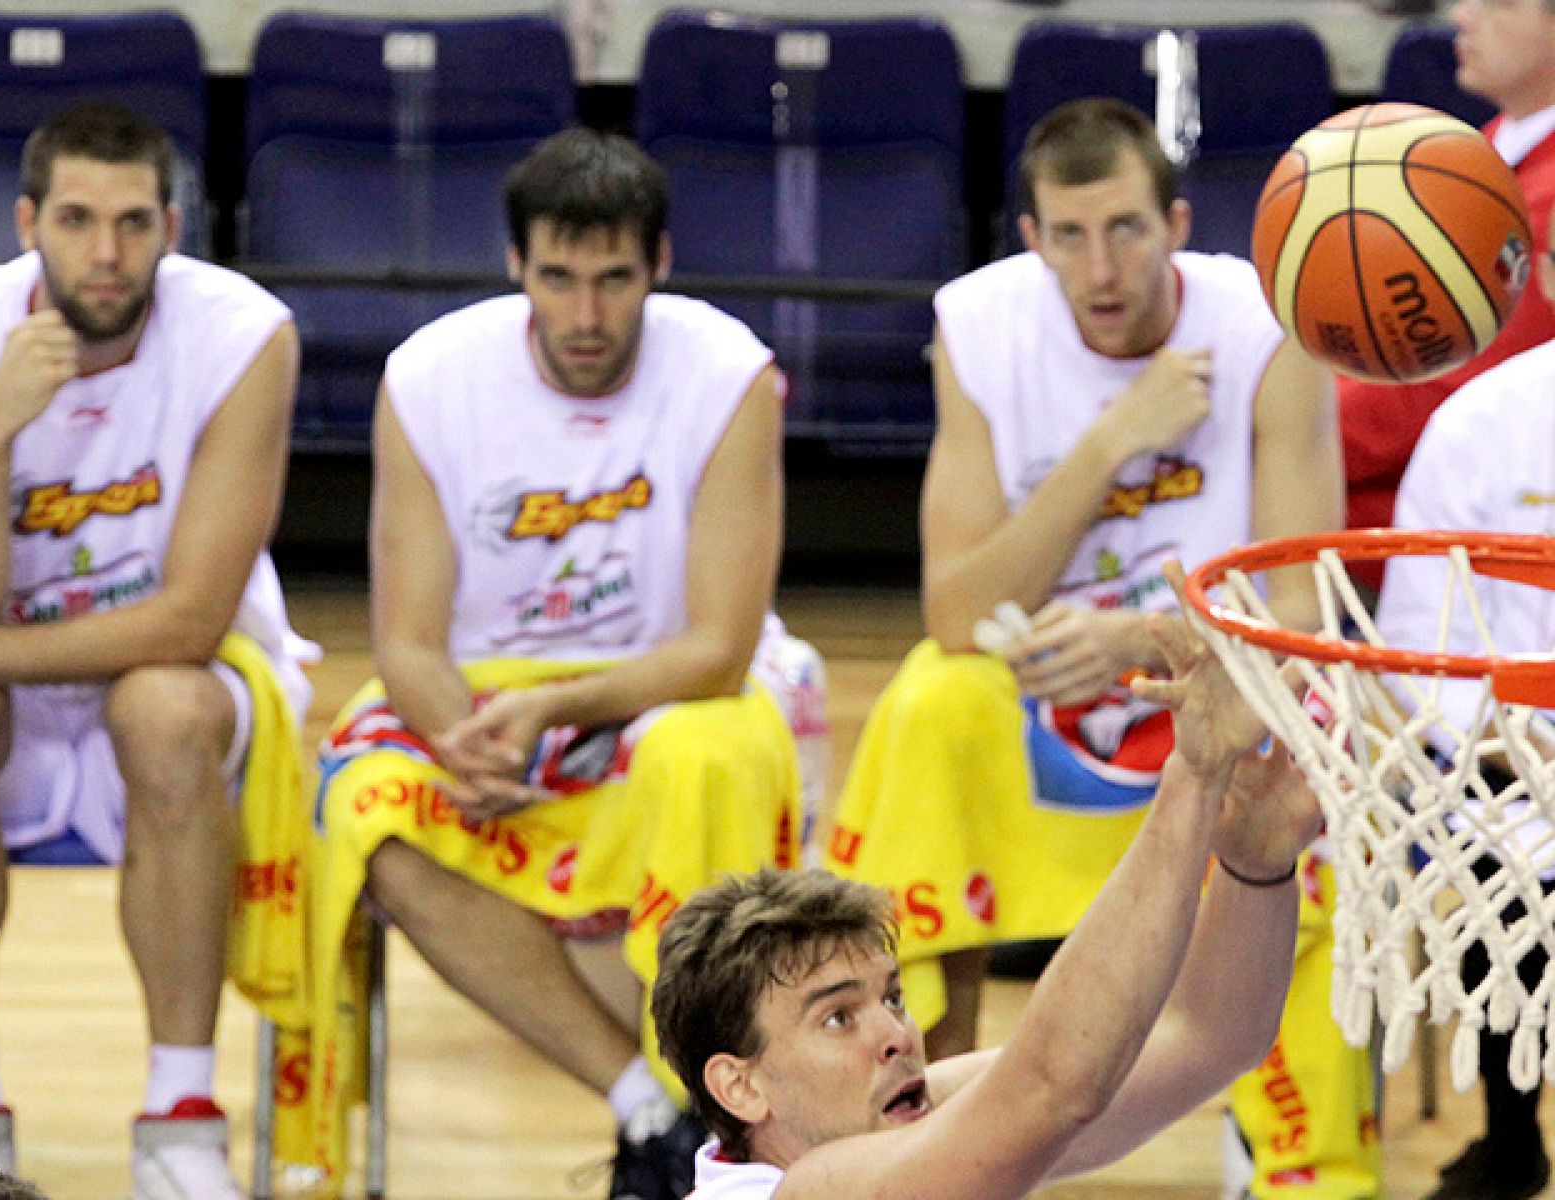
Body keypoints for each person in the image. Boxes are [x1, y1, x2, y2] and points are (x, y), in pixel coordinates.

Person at [823, 97, 1372, 1198]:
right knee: (935, 700)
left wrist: (1142, 635)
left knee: (1305, 743)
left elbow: (1304, 615)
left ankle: (1314, 1170)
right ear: (1029, 241)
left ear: (1174, 223)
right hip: (1050, 702)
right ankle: (904, 1141)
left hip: (1225, 689)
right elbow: (956, 609)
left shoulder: (1265, 328)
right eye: (1068, 236)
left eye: (1124, 228)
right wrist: (1111, 443)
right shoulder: (979, 326)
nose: (1100, 264)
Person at [308, 127, 798, 1200]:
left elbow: (718, 649)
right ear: (516, 266)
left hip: (669, 684)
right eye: (559, 279)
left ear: (658, 266)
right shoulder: (429, 377)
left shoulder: (727, 374)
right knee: (367, 806)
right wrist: (461, 737)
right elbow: (407, 643)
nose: (586, 316)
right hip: (490, 692)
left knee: (706, 756)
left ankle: (729, 1129)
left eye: (615, 279)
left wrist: (553, 711)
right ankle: (649, 1112)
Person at [654, 595, 1326, 1200]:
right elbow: (1053, 1087)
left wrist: (1253, 869)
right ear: (741, 1087)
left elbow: (1205, 1039)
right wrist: (1193, 778)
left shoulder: (896, 1123)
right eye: (837, 1019)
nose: (896, 1035)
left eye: (890, 998)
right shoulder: (792, 1193)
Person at [0, 102, 310, 1200]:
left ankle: (181, 1114)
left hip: (189, 691)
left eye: (129, 222)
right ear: (27, 224)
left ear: (171, 226)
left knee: (161, 705)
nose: (103, 253)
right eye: (74, 219)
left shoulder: (245, 335)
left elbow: (190, 620)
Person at [1375, 202, 1555, 1200]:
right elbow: (1418, 645)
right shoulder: (1476, 426)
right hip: (1509, 766)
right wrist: (1502, 740)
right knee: (1508, 864)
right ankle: (1509, 1135)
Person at [1340, 0, 1555, 596]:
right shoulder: (1491, 148)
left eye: (1499, 3)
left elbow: (1445, 374)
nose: (1463, 15)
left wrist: (1285, 429)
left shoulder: (1542, 198)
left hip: (1462, 551)